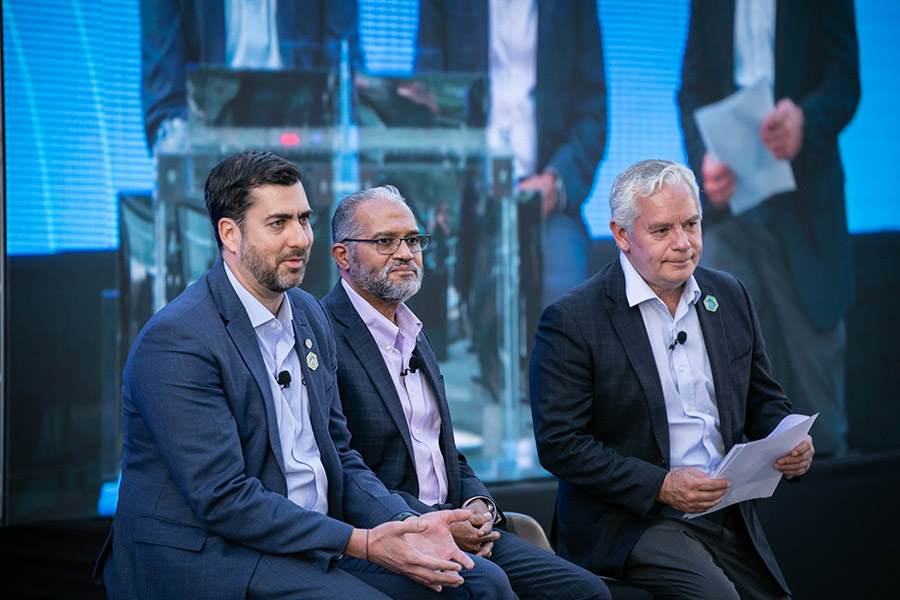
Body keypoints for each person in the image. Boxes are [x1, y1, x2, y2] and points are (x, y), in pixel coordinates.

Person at [93, 151, 517, 599]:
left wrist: (407, 526)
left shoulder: (310, 316)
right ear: (230, 234)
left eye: (304, 219)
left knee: (479, 584)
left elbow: (341, 455)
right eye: (278, 223)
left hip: (315, 538)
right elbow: (223, 499)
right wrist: (365, 543)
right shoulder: (179, 339)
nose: (300, 238)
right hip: (215, 554)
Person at [530, 159, 815, 599]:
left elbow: (763, 401)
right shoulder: (572, 318)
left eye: (692, 224)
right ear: (622, 235)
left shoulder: (730, 294)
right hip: (631, 520)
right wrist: (661, 485)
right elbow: (561, 443)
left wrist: (787, 439)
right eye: (662, 230)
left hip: (725, 511)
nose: (683, 243)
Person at [321, 185, 611, 600]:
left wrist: (480, 506)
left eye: (414, 240)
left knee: (587, 592)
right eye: (386, 241)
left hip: (458, 523)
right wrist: (433, 525)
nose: (405, 253)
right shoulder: (323, 333)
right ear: (343, 256)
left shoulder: (415, 331)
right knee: (487, 589)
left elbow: (443, 450)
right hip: (388, 534)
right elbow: (344, 470)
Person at [677, 0, 860, 454]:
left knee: (819, 405)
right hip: (730, 211)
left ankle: (827, 507)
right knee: (717, 370)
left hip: (805, 204)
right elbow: (692, 88)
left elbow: (844, 78)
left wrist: (806, 120)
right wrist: (704, 156)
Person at [141, 0, 360, 151]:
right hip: (213, 138)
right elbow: (166, 96)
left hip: (303, 132)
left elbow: (342, 69)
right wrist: (178, 141)